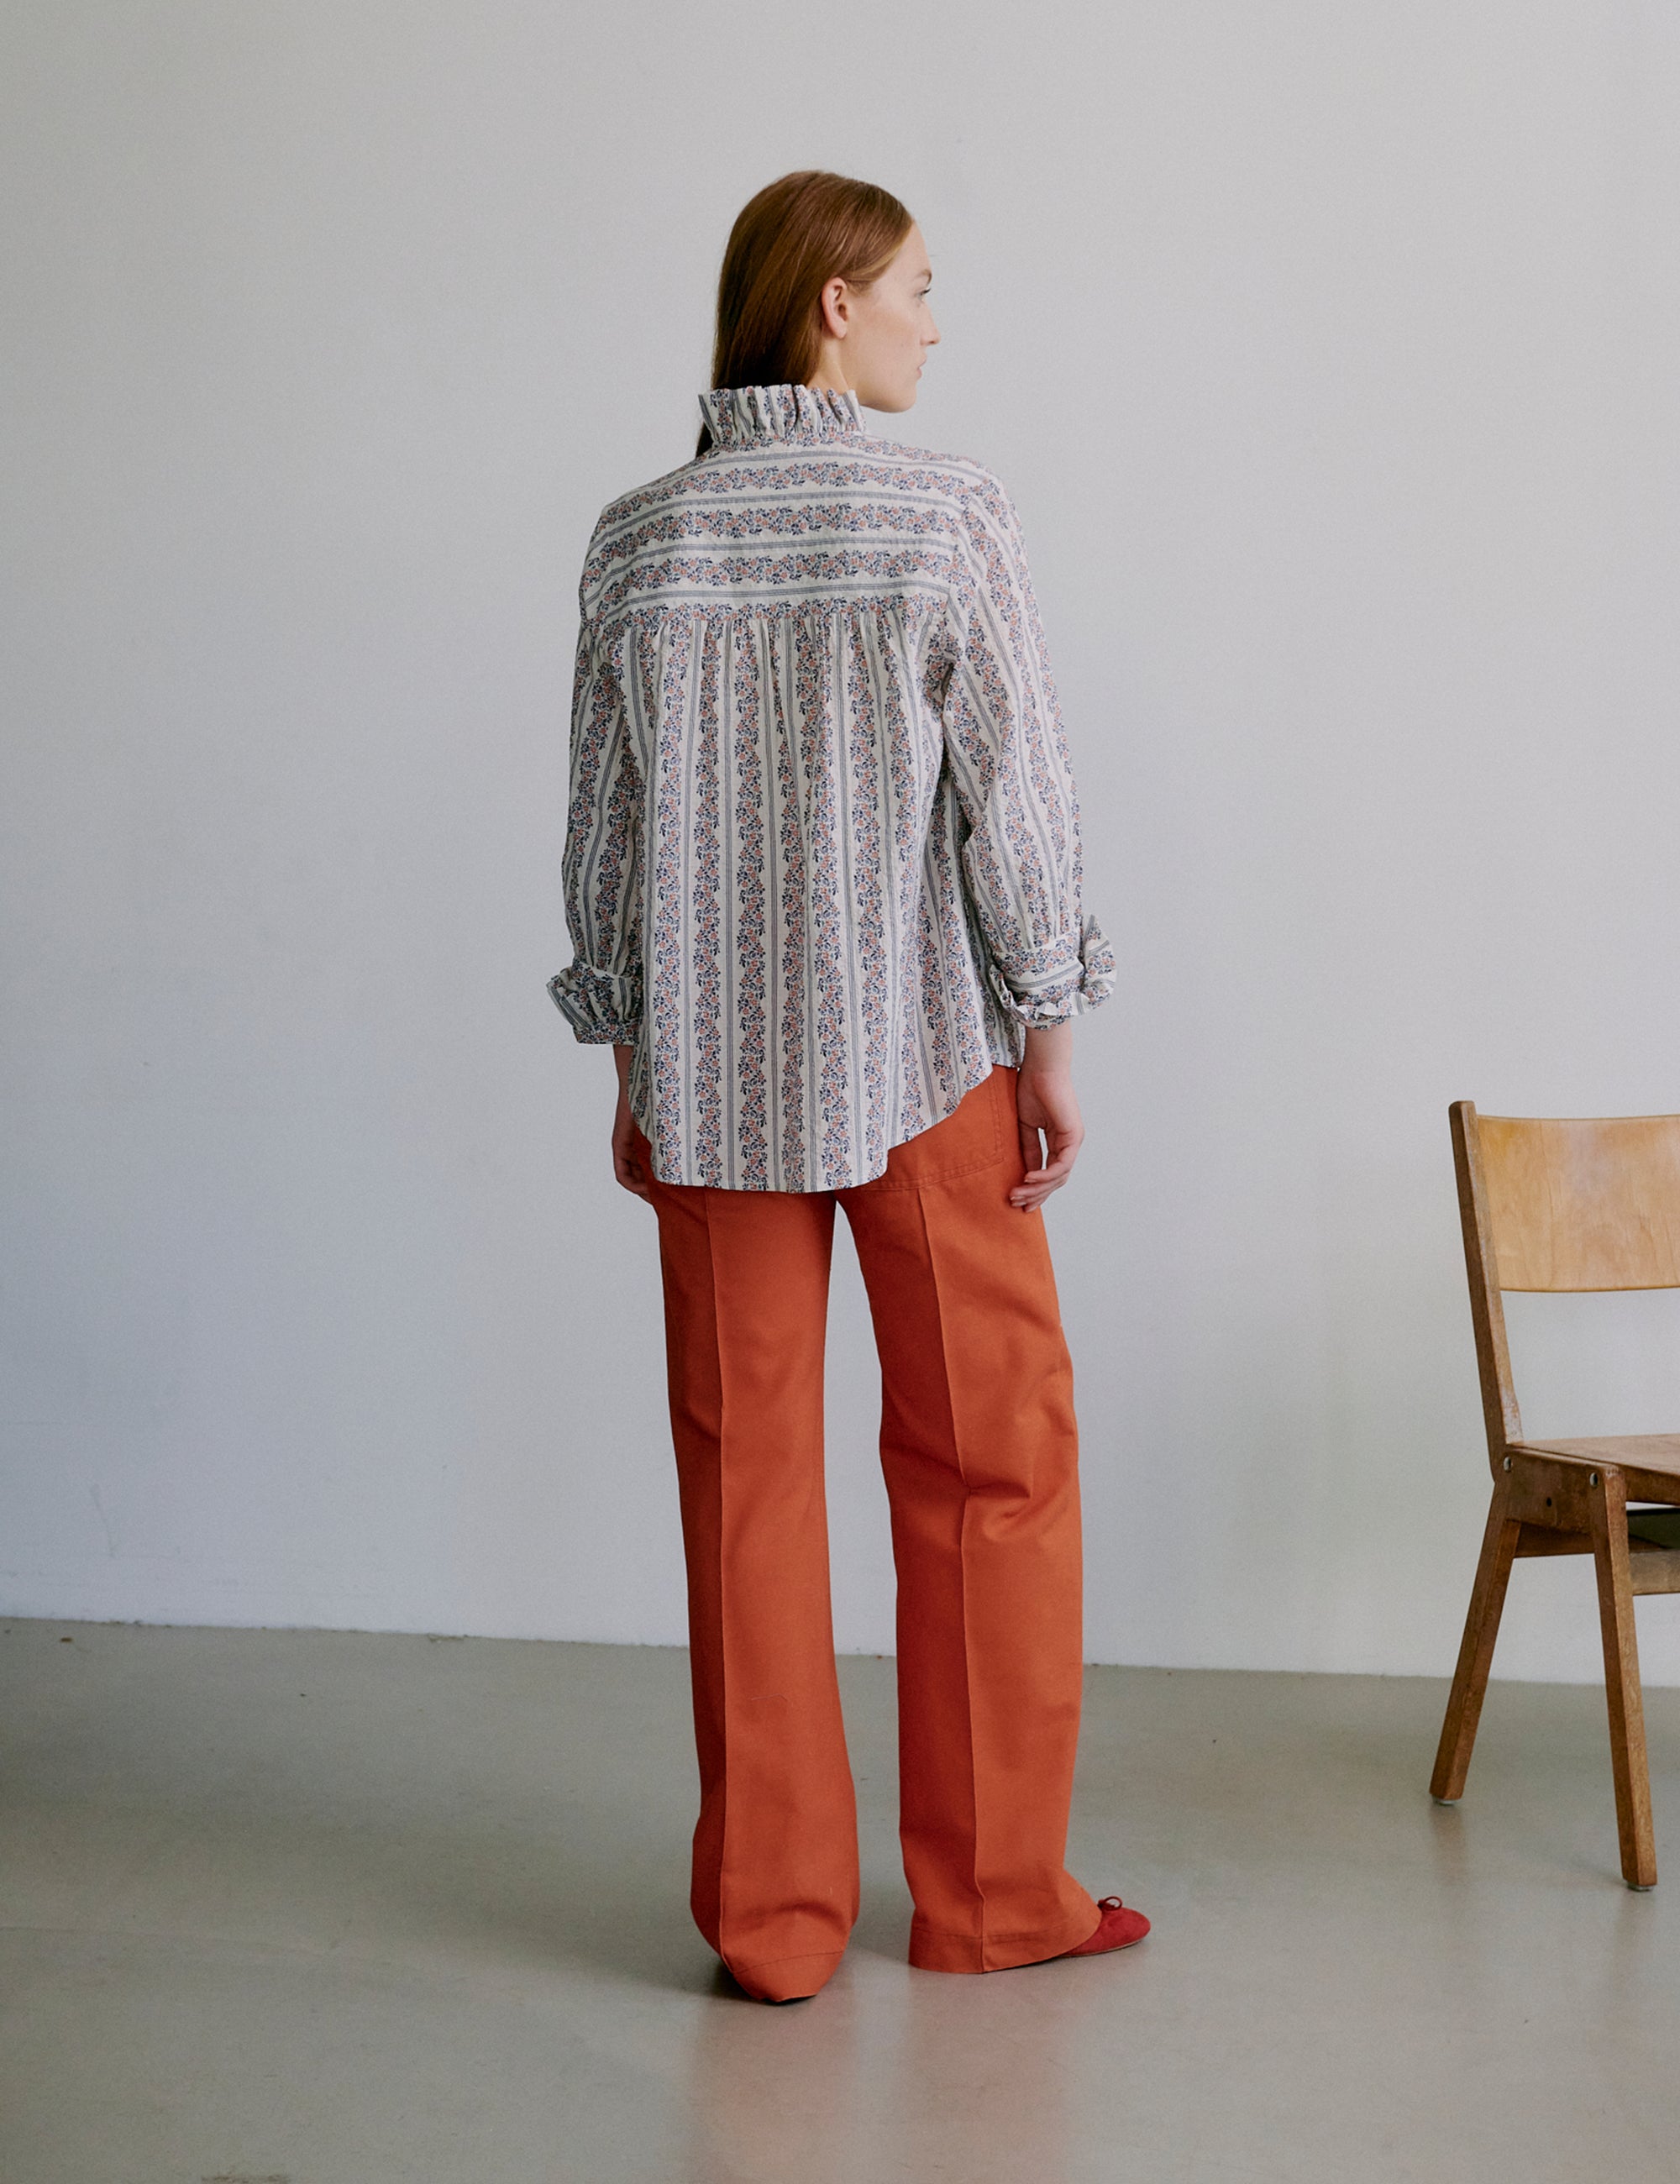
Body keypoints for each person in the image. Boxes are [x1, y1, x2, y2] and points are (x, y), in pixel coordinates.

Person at [549, 169, 1149, 2003]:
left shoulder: (639, 538)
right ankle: (989, 1901)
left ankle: (777, 1929)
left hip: (716, 1082)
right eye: (916, 285)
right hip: (921, 1062)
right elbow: (1015, 797)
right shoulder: (944, 511)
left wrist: (634, 1033)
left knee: (744, 1487)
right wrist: (1049, 1020)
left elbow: (606, 832)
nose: (932, 321)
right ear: (829, 304)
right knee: (993, 1464)